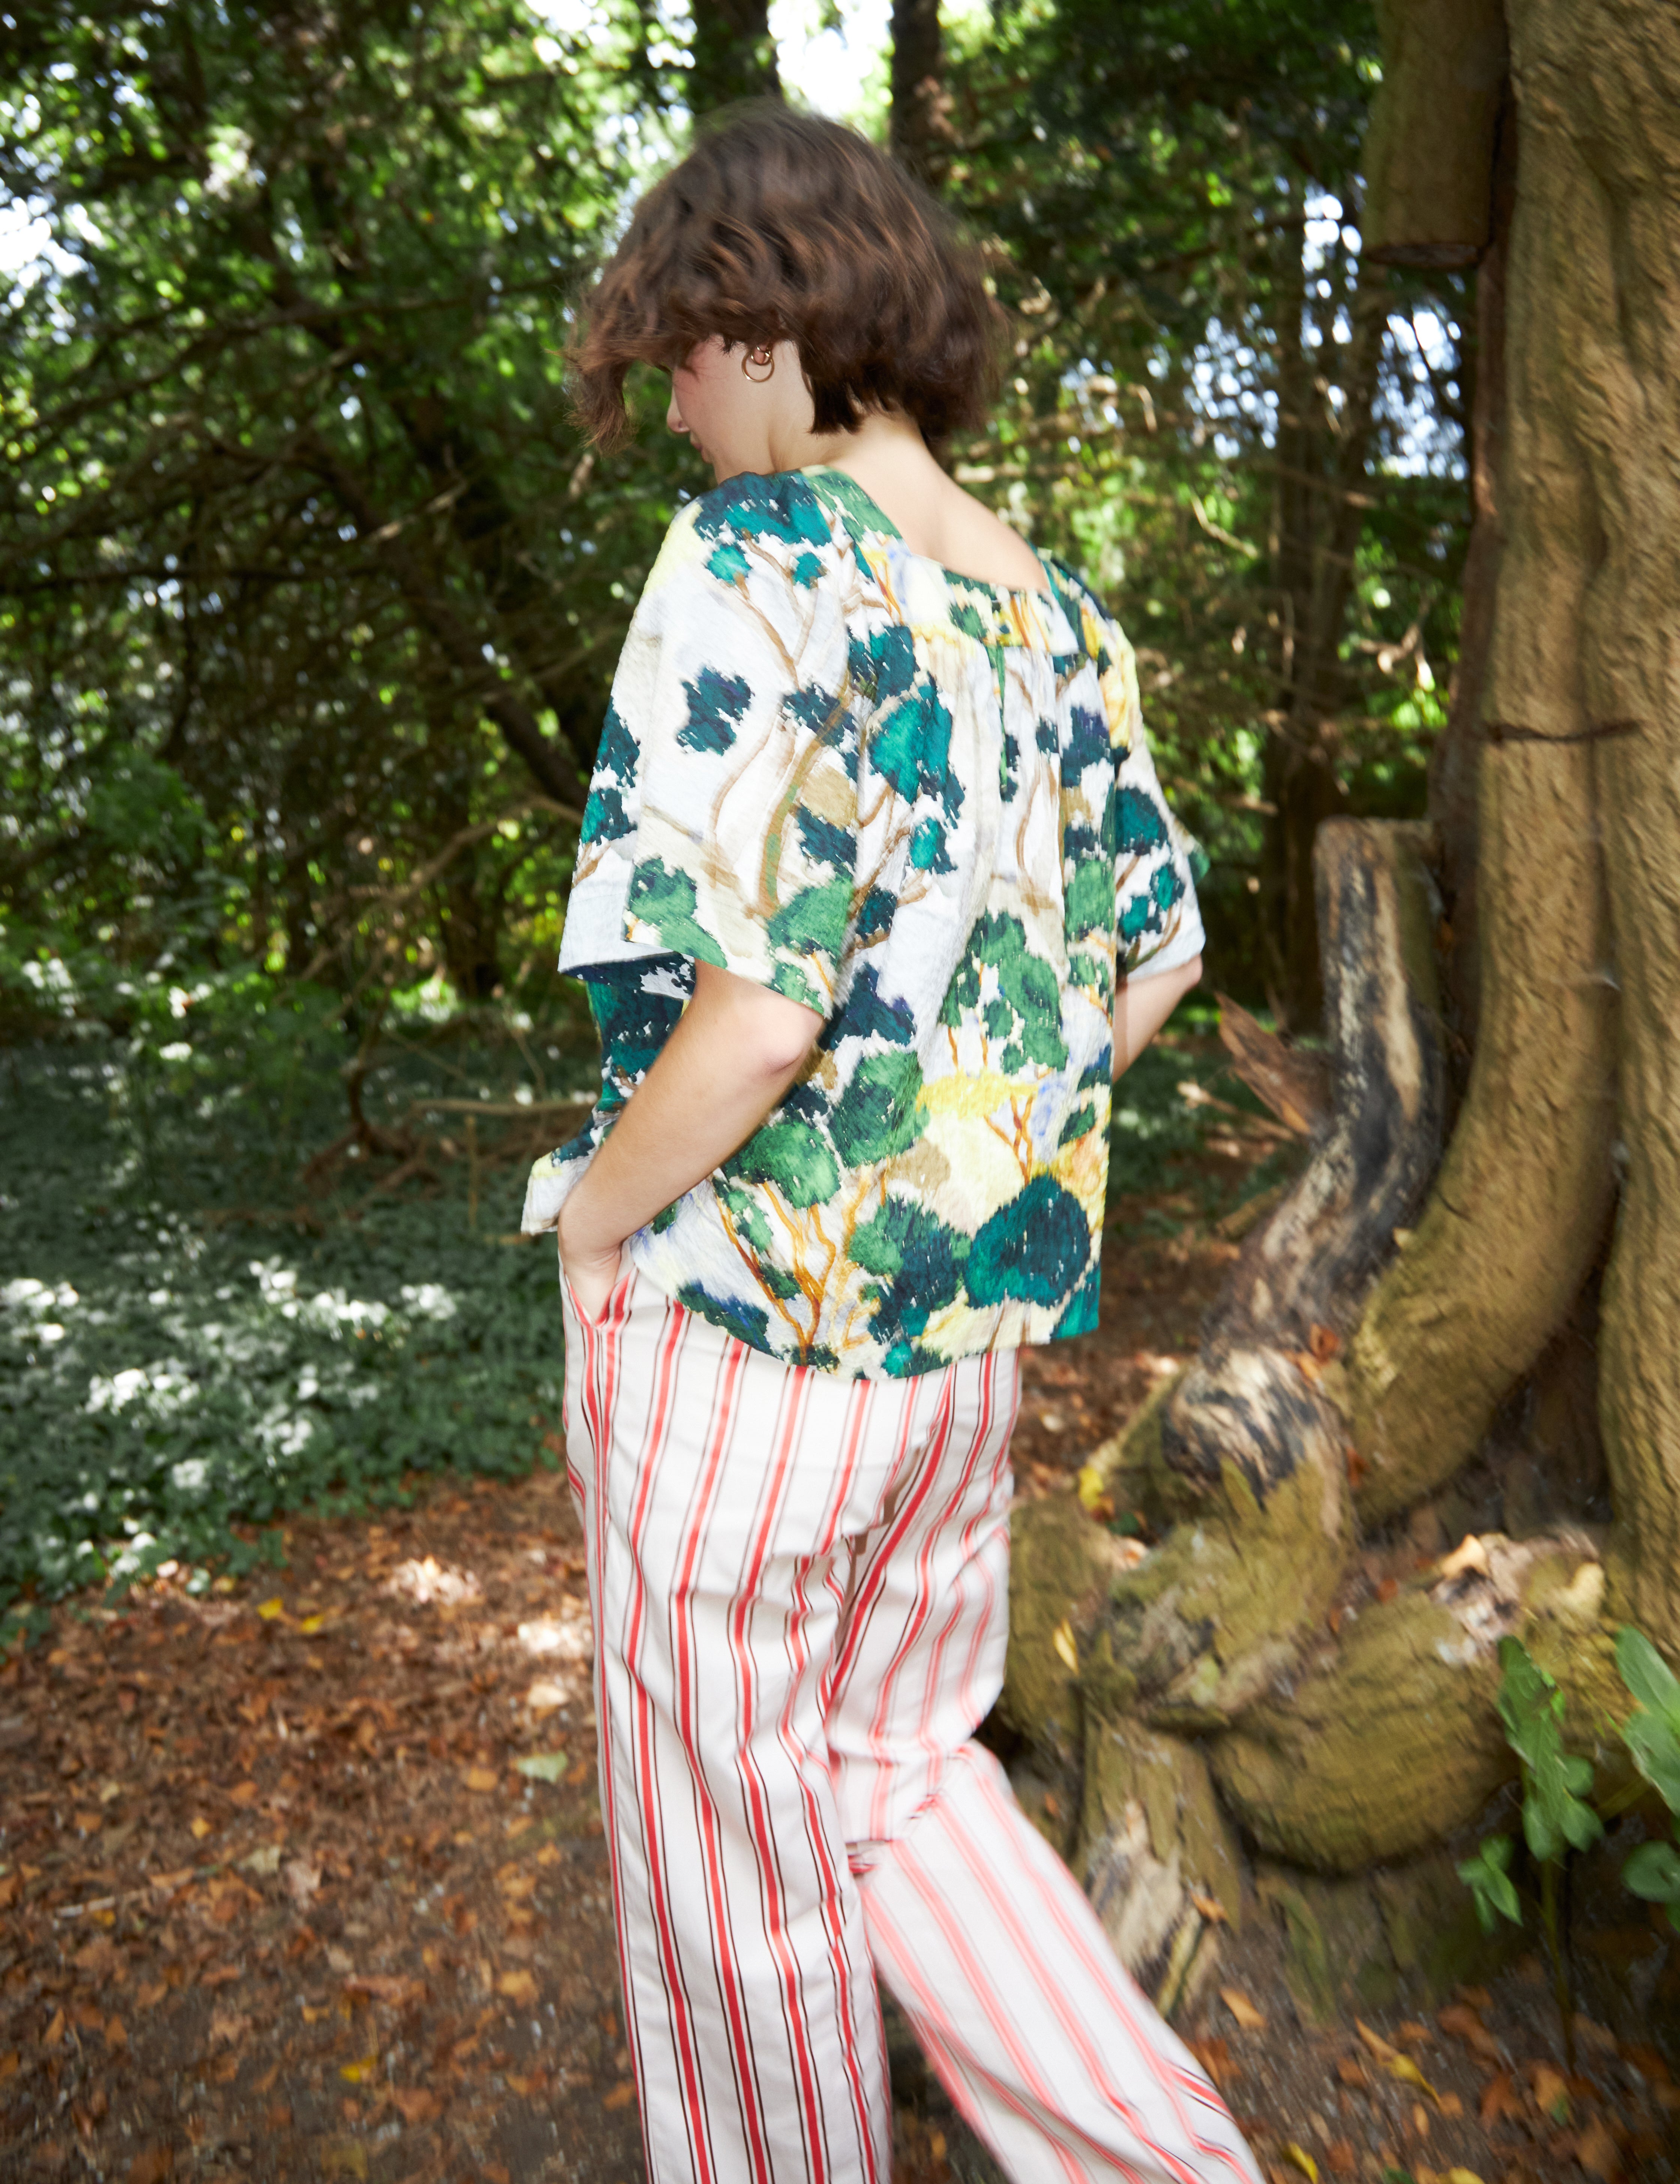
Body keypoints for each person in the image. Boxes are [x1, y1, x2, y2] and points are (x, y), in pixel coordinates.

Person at [523, 102, 1260, 2184]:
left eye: (674, 348)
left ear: (762, 320)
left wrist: (593, 1227)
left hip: (748, 1347)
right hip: (960, 1370)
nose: (670, 408)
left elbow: (754, 1016)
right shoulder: (1058, 614)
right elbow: (1158, 959)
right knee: (904, 1783)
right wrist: (979, 1140)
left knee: (730, 1894)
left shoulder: (759, 563)